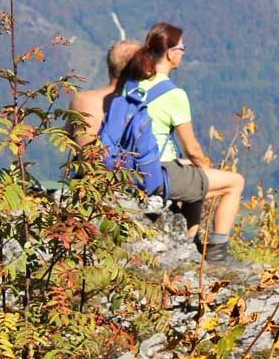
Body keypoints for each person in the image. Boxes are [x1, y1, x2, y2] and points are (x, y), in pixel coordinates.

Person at [121, 22, 245, 263]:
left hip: (131, 170)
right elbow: (193, 148)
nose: (183, 53)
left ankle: (188, 245)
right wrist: (205, 167)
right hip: (160, 172)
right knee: (234, 183)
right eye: (182, 49)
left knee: (193, 176)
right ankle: (217, 252)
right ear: (170, 53)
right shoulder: (174, 95)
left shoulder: (133, 87)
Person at [69, 40, 142, 146]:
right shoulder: (141, 104)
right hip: (126, 162)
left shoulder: (81, 100)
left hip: (87, 162)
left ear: (109, 66)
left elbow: (66, 135)